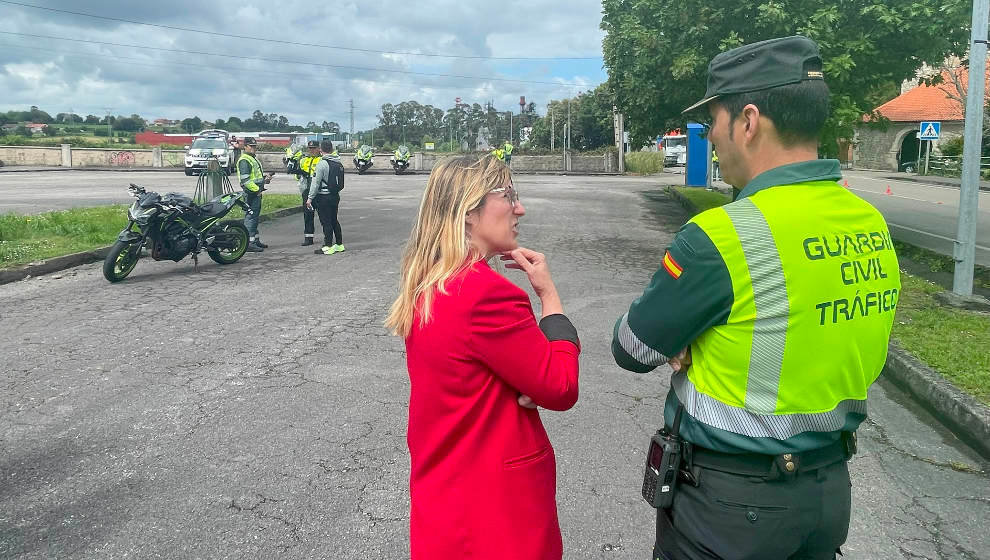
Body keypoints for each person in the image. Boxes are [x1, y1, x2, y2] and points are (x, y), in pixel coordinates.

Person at [610, 36, 900, 560]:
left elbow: (632, 349)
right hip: (827, 497)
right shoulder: (869, 223)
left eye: (713, 123)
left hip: (730, 508)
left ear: (748, 121)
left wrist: (694, 339)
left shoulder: (720, 237)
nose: (712, 139)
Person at [385, 154, 580, 559]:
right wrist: (550, 298)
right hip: (495, 518)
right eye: (508, 195)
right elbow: (560, 386)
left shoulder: (430, 282)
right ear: (469, 212)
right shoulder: (486, 293)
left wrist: (524, 380)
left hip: (447, 500)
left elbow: (468, 376)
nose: (519, 208)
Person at [306, 140, 346, 255]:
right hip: (335, 196)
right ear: (332, 149)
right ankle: (339, 244)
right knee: (334, 220)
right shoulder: (338, 163)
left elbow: (315, 183)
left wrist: (310, 198)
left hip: (324, 197)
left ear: (321, 150)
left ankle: (328, 246)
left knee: (326, 221)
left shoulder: (322, 164)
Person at [236, 137, 273, 252]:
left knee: (254, 217)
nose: (253, 148)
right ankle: (248, 243)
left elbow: (255, 177)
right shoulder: (245, 160)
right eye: (251, 146)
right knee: (250, 217)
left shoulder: (252, 158)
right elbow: (245, 181)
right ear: (245, 146)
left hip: (255, 191)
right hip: (251, 192)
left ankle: (255, 240)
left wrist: (264, 179)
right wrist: (257, 190)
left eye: (254, 146)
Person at [295, 140, 322, 246]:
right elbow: (298, 176)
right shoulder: (303, 160)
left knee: (323, 215)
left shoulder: (322, 159)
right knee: (307, 215)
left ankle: (327, 237)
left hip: (319, 191)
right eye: (310, 148)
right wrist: (299, 174)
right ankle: (308, 237)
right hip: (306, 190)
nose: (312, 150)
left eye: (314, 148)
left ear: (318, 148)